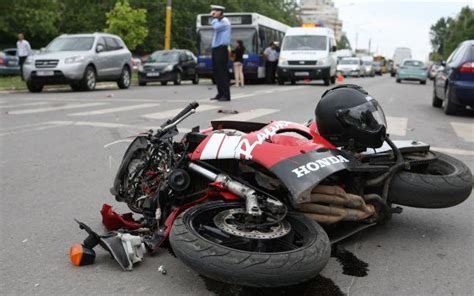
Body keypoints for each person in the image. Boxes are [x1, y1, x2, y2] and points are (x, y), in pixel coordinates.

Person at [209, 5, 231, 101]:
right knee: (217, 72)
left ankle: (226, 95)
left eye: (215, 11)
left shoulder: (224, 22)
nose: (213, 12)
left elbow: (216, 28)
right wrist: (214, 18)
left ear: (220, 12)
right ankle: (220, 93)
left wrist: (213, 18)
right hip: (216, 49)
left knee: (222, 72)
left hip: (221, 49)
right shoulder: (218, 21)